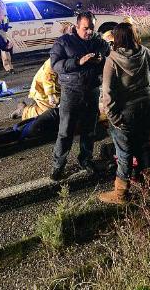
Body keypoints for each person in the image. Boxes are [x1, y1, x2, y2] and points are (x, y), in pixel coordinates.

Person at [98, 23, 150, 204]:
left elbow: (107, 93)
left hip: (126, 111)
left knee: (124, 152)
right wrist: (149, 101)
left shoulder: (112, 60)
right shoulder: (147, 53)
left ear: (116, 38)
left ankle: (121, 194)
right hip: (146, 108)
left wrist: (114, 118)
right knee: (144, 146)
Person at [49, 11, 110, 180]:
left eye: (92, 27)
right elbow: (55, 65)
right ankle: (58, 165)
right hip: (71, 92)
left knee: (89, 130)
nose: (89, 31)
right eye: (85, 28)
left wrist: (101, 60)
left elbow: (109, 59)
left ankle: (86, 159)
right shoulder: (63, 42)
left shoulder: (99, 42)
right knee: (65, 131)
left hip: (92, 91)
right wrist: (78, 61)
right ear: (77, 27)